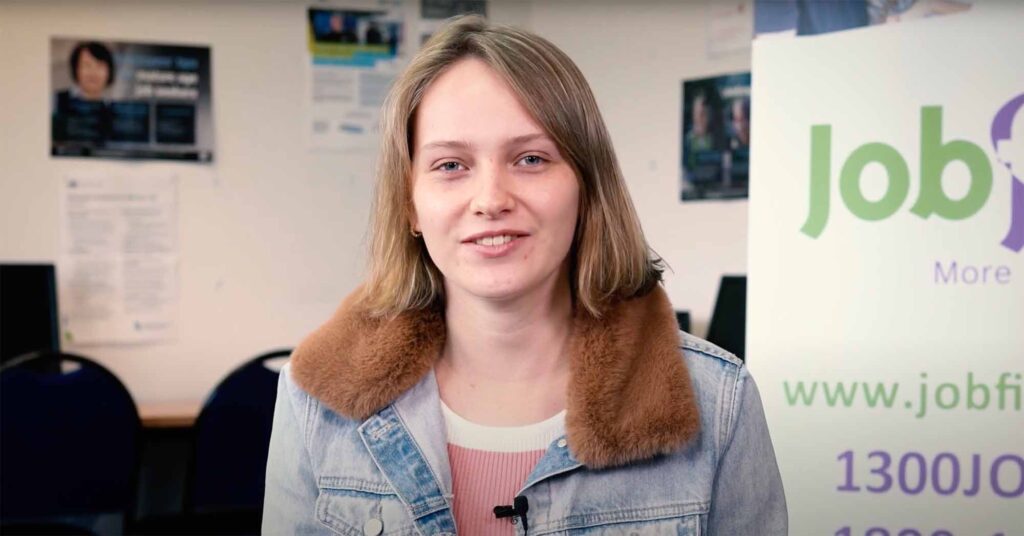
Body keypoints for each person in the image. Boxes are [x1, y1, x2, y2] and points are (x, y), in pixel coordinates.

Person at [264, 15, 786, 535]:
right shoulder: (313, 399)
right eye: (450, 166)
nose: (491, 200)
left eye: (531, 158)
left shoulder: (720, 402)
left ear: (587, 188)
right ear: (411, 205)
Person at [52, 41, 115, 144]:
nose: (93, 72)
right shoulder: (57, 101)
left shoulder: (114, 110)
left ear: (109, 71)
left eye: (99, 66)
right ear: (76, 70)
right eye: (87, 65)